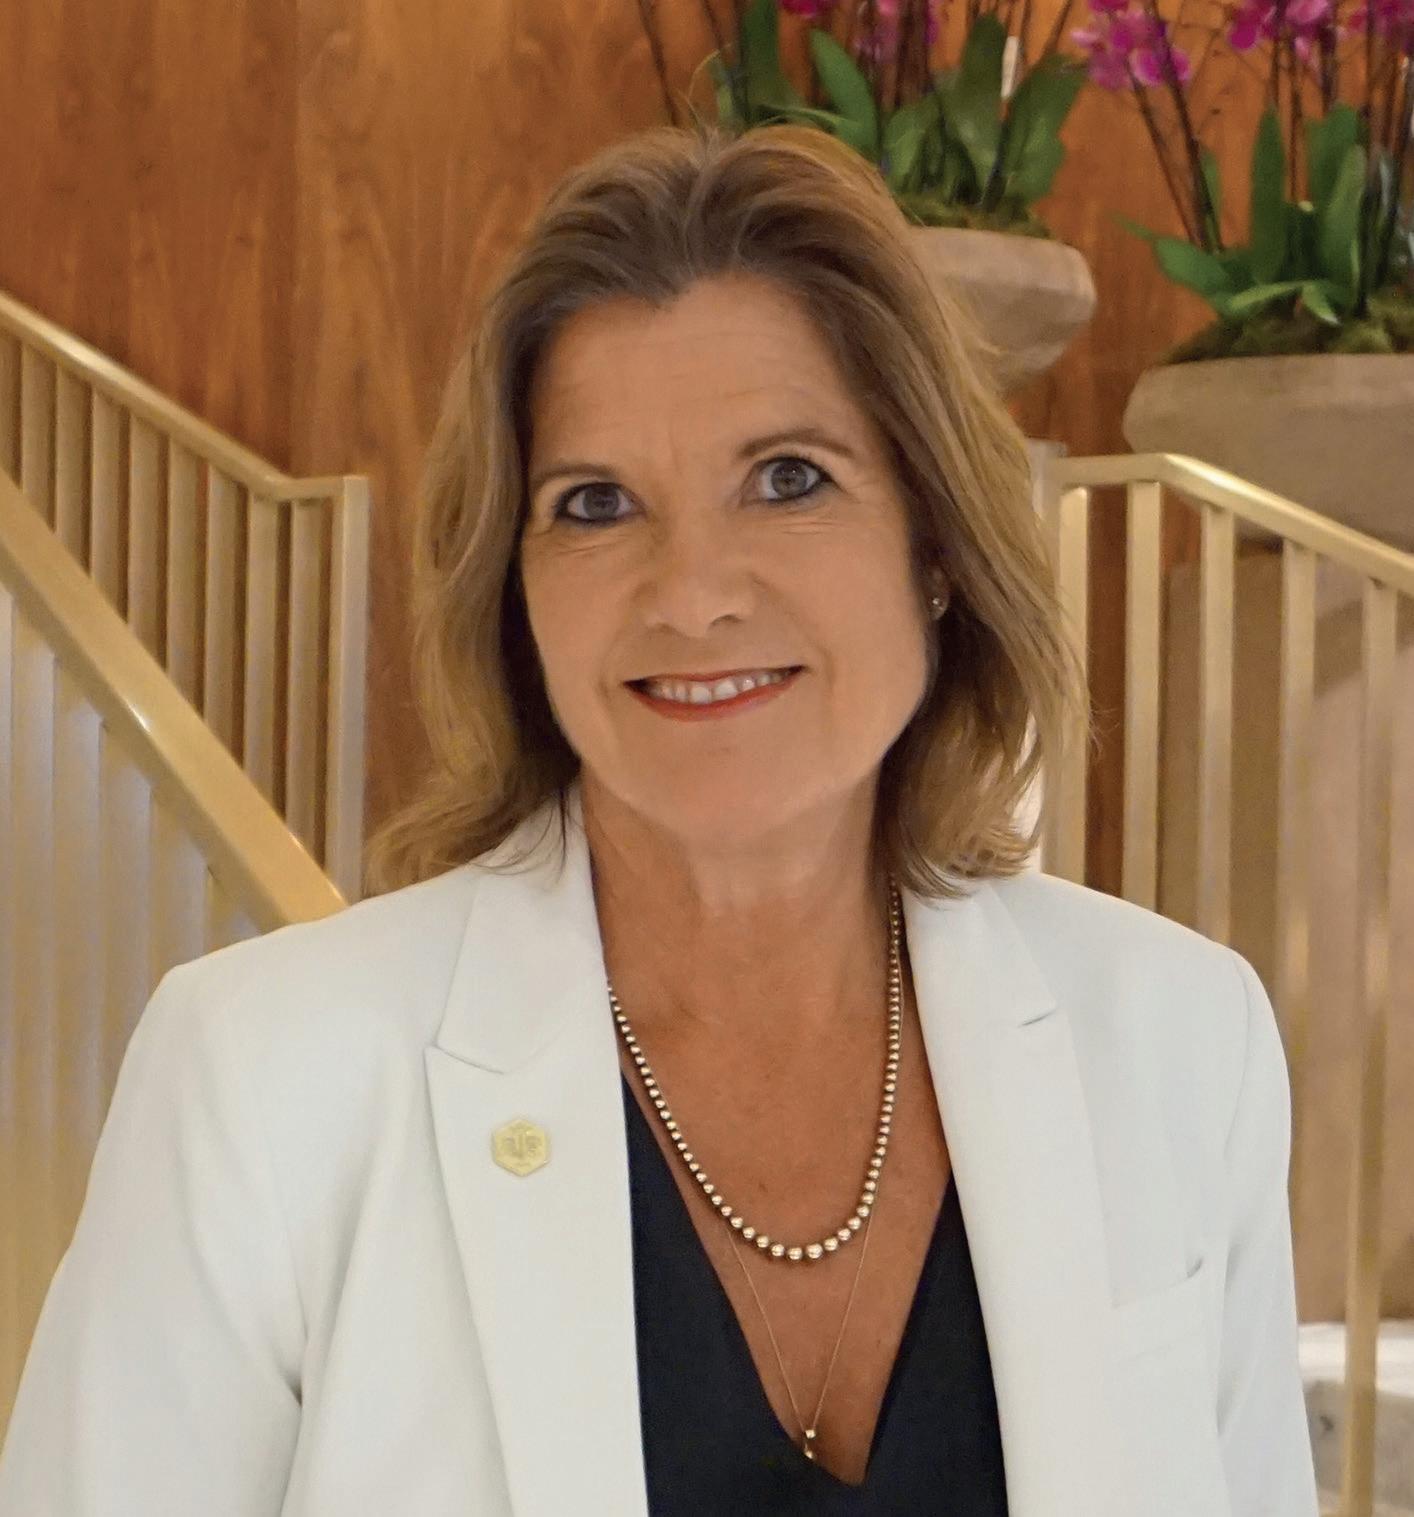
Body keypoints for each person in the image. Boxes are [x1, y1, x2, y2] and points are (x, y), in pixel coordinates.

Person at [0, 122, 1317, 1517]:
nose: (691, 594)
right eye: (595, 504)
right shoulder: (263, 1076)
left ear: (934, 543)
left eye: (788, 478)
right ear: (516, 595)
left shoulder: (1179, 1037)